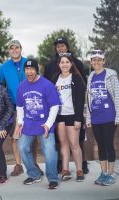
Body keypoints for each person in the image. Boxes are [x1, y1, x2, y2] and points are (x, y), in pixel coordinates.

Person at [44, 36, 89, 174]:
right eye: (58, 46)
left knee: (77, 140)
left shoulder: (78, 64)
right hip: (58, 113)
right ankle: (63, 166)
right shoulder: (51, 67)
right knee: (61, 141)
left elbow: (81, 89)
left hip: (74, 112)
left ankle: (82, 165)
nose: (60, 48)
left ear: (67, 47)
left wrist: (80, 113)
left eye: (63, 45)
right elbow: (47, 89)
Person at [15, 59, 60, 189]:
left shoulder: (47, 85)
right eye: (26, 69)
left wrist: (48, 124)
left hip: (44, 123)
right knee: (22, 147)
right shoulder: (22, 86)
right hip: (28, 123)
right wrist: (20, 122)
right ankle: (34, 174)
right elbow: (19, 106)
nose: (29, 72)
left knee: (50, 150)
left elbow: (55, 106)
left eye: (31, 69)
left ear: (36, 69)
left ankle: (52, 178)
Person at [85, 50, 119, 186]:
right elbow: (88, 99)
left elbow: (117, 96)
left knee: (109, 144)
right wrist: (88, 118)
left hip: (109, 116)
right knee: (100, 145)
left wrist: (118, 115)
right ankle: (103, 173)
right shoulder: (91, 77)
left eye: (99, 60)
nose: (97, 62)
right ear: (91, 62)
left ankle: (111, 174)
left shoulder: (111, 76)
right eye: (94, 60)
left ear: (104, 62)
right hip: (96, 117)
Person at [51, 54, 85, 182]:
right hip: (59, 116)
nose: (64, 64)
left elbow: (80, 100)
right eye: (62, 62)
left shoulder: (76, 78)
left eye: (67, 62)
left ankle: (79, 170)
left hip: (72, 115)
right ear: (59, 64)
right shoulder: (55, 79)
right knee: (63, 143)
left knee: (74, 144)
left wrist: (78, 119)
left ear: (71, 64)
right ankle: (65, 170)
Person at [0, 40, 27, 176]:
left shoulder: (28, 63)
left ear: (21, 49)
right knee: (15, 137)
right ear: (9, 50)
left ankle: (34, 164)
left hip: (30, 105)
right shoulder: (4, 67)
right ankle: (18, 165)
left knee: (32, 136)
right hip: (14, 107)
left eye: (17, 48)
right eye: (12, 48)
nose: (14, 50)